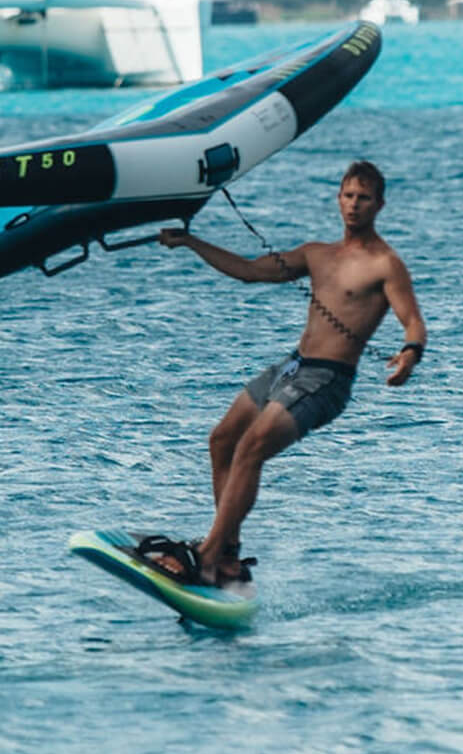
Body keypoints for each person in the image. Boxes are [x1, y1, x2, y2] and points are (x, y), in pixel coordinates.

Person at [145, 160, 426, 586]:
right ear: (338, 199)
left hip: (326, 380)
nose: (354, 205)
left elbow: (413, 321)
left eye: (364, 198)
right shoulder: (317, 254)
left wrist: (410, 353)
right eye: (348, 196)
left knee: (252, 447)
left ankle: (206, 556)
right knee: (222, 440)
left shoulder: (385, 264)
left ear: (379, 205)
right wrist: (191, 243)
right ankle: (229, 555)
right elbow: (250, 271)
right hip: (291, 367)